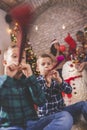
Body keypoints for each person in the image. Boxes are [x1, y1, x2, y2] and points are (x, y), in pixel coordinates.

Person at [0, 45, 73, 130]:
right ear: (5, 63)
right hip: (11, 126)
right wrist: (7, 79)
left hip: (33, 124)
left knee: (65, 117)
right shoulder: (2, 81)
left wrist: (30, 77)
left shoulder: (30, 80)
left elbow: (41, 102)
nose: (19, 60)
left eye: (22, 57)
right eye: (14, 56)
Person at [36, 53, 87, 125]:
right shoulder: (37, 81)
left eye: (48, 64)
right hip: (47, 116)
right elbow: (42, 99)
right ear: (37, 68)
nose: (46, 66)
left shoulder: (55, 78)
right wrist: (47, 82)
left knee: (83, 104)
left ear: (53, 66)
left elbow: (69, 90)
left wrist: (59, 80)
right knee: (65, 119)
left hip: (62, 111)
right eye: (43, 64)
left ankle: (72, 120)